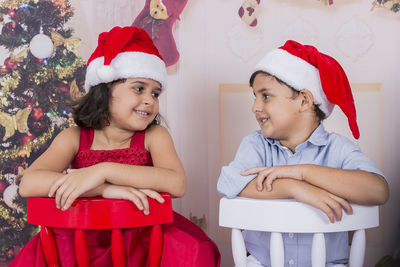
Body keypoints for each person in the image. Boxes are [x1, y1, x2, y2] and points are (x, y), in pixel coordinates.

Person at [11, 26, 220, 267]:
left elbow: (176, 183)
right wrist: (103, 189)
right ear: (105, 89)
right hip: (82, 243)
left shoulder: (155, 136)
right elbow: (28, 184)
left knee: (191, 252)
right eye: (139, 88)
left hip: (142, 242)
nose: (149, 101)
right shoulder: (74, 137)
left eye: (155, 93)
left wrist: (103, 171)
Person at [217, 40, 389, 267]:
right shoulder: (256, 144)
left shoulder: (338, 149)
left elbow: (378, 190)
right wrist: (295, 188)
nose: (255, 107)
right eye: (255, 96)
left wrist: (302, 172)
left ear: (305, 101)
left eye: (266, 96)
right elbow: (231, 183)